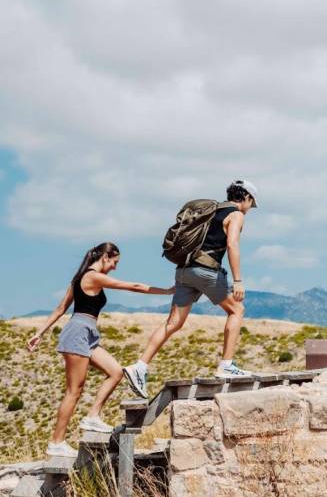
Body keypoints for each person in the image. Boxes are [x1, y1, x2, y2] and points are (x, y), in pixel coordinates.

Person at [26, 242, 174, 458]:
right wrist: (168, 291)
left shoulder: (80, 278)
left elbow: (60, 309)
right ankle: (56, 442)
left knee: (116, 372)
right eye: (115, 262)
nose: (115, 267)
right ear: (106, 256)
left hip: (87, 334)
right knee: (74, 391)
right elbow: (133, 286)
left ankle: (92, 417)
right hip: (78, 333)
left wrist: (39, 333)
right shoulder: (93, 276)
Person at [123, 180, 258, 399]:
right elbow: (232, 244)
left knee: (173, 323)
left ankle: (139, 366)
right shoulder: (236, 214)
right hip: (207, 271)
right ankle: (227, 365)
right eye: (252, 204)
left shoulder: (212, 210)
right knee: (237, 310)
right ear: (247, 198)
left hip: (184, 270)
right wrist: (238, 280)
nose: (250, 209)